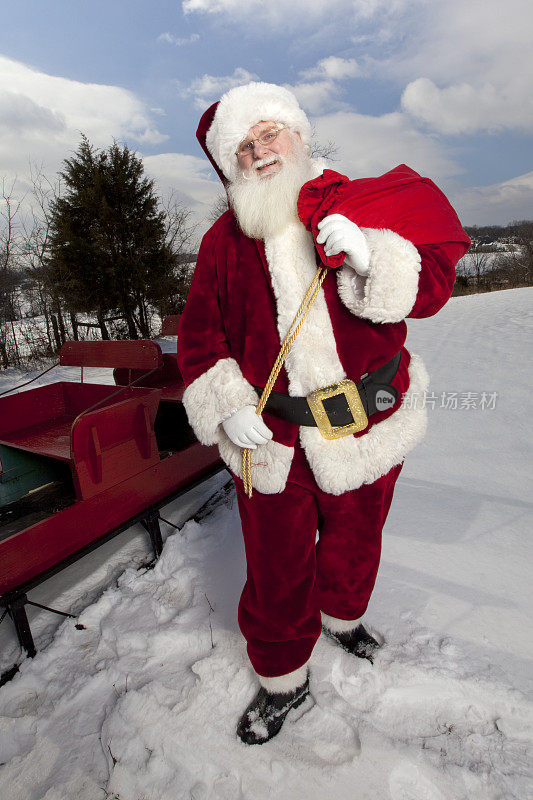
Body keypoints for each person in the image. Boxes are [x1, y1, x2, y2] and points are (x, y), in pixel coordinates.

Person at [177, 82, 470, 745]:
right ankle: (283, 678)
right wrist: (226, 405)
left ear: (298, 133)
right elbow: (200, 339)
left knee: (357, 539)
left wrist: (371, 255)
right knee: (276, 566)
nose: (260, 152)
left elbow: (426, 292)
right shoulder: (223, 242)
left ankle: (343, 616)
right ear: (233, 165)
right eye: (243, 147)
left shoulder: (359, 203)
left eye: (268, 133)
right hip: (273, 437)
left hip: (368, 423)